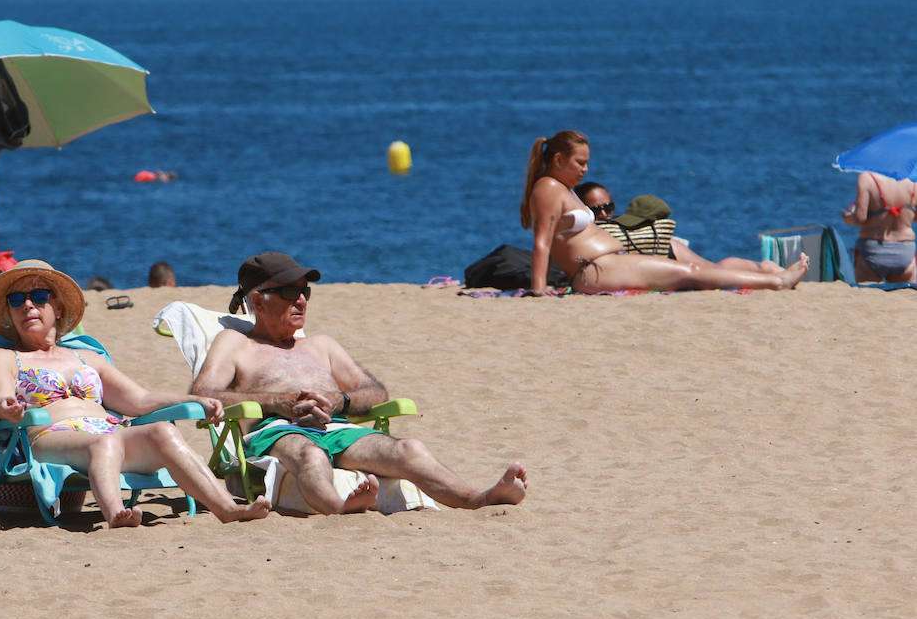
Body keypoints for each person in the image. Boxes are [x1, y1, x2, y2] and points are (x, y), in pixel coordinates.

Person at [189, 252, 527, 516]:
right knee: (311, 454)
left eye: (304, 291)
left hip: (338, 429)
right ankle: (338, 507)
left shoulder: (321, 344)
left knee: (410, 449)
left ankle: (477, 498)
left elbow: (375, 391)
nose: (302, 300)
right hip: (277, 431)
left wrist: (340, 403)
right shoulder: (236, 343)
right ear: (259, 300)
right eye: (290, 292)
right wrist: (278, 402)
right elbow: (202, 395)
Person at [0, 259, 271, 529]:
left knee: (161, 433)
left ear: (57, 308)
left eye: (39, 297)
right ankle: (116, 514)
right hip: (49, 437)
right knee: (103, 444)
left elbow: (139, 400)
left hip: (110, 433)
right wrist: (7, 407)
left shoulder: (87, 357)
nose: (28, 305)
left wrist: (192, 400)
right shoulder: (4, 357)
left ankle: (227, 507)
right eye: (17, 300)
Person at [522, 131, 808, 295]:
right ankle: (776, 281)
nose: (585, 170)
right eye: (579, 163)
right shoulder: (547, 188)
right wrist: (538, 287)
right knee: (693, 273)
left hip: (608, 263)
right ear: (558, 160)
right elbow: (542, 241)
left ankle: (769, 275)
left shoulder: (562, 188)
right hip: (594, 270)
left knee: (697, 271)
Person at [573, 182, 783, 275]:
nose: (603, 215)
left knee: (714, 269)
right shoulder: (582, 237)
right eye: (595, 210)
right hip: (658, 254)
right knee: (713, 270)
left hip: (663, 248)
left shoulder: (611, 230)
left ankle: (766, 269)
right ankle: (767, 270)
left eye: (608, 207)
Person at [841, 171, 916, 283]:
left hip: (872, 249)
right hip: (904, 250)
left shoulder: (867, 178)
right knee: (903, 297)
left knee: (868, 297)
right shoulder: (913, 181)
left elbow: (860, 218)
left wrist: (847, 216)